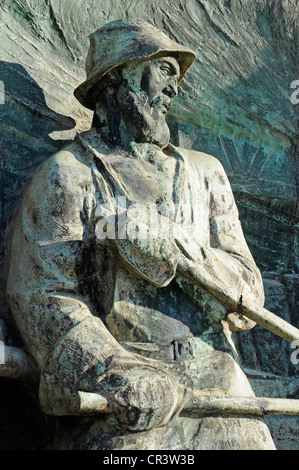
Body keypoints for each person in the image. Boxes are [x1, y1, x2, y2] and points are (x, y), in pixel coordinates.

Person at [6, 19, 276, 449]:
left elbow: (249, 301)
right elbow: (43, 294)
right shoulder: (69, 176)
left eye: (177, 76)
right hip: (125, 401)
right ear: (117, 76)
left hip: (223, 394)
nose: (174, 89)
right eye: (164, 70)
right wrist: (113, 370)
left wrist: (177, 250)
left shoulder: (204, 173)